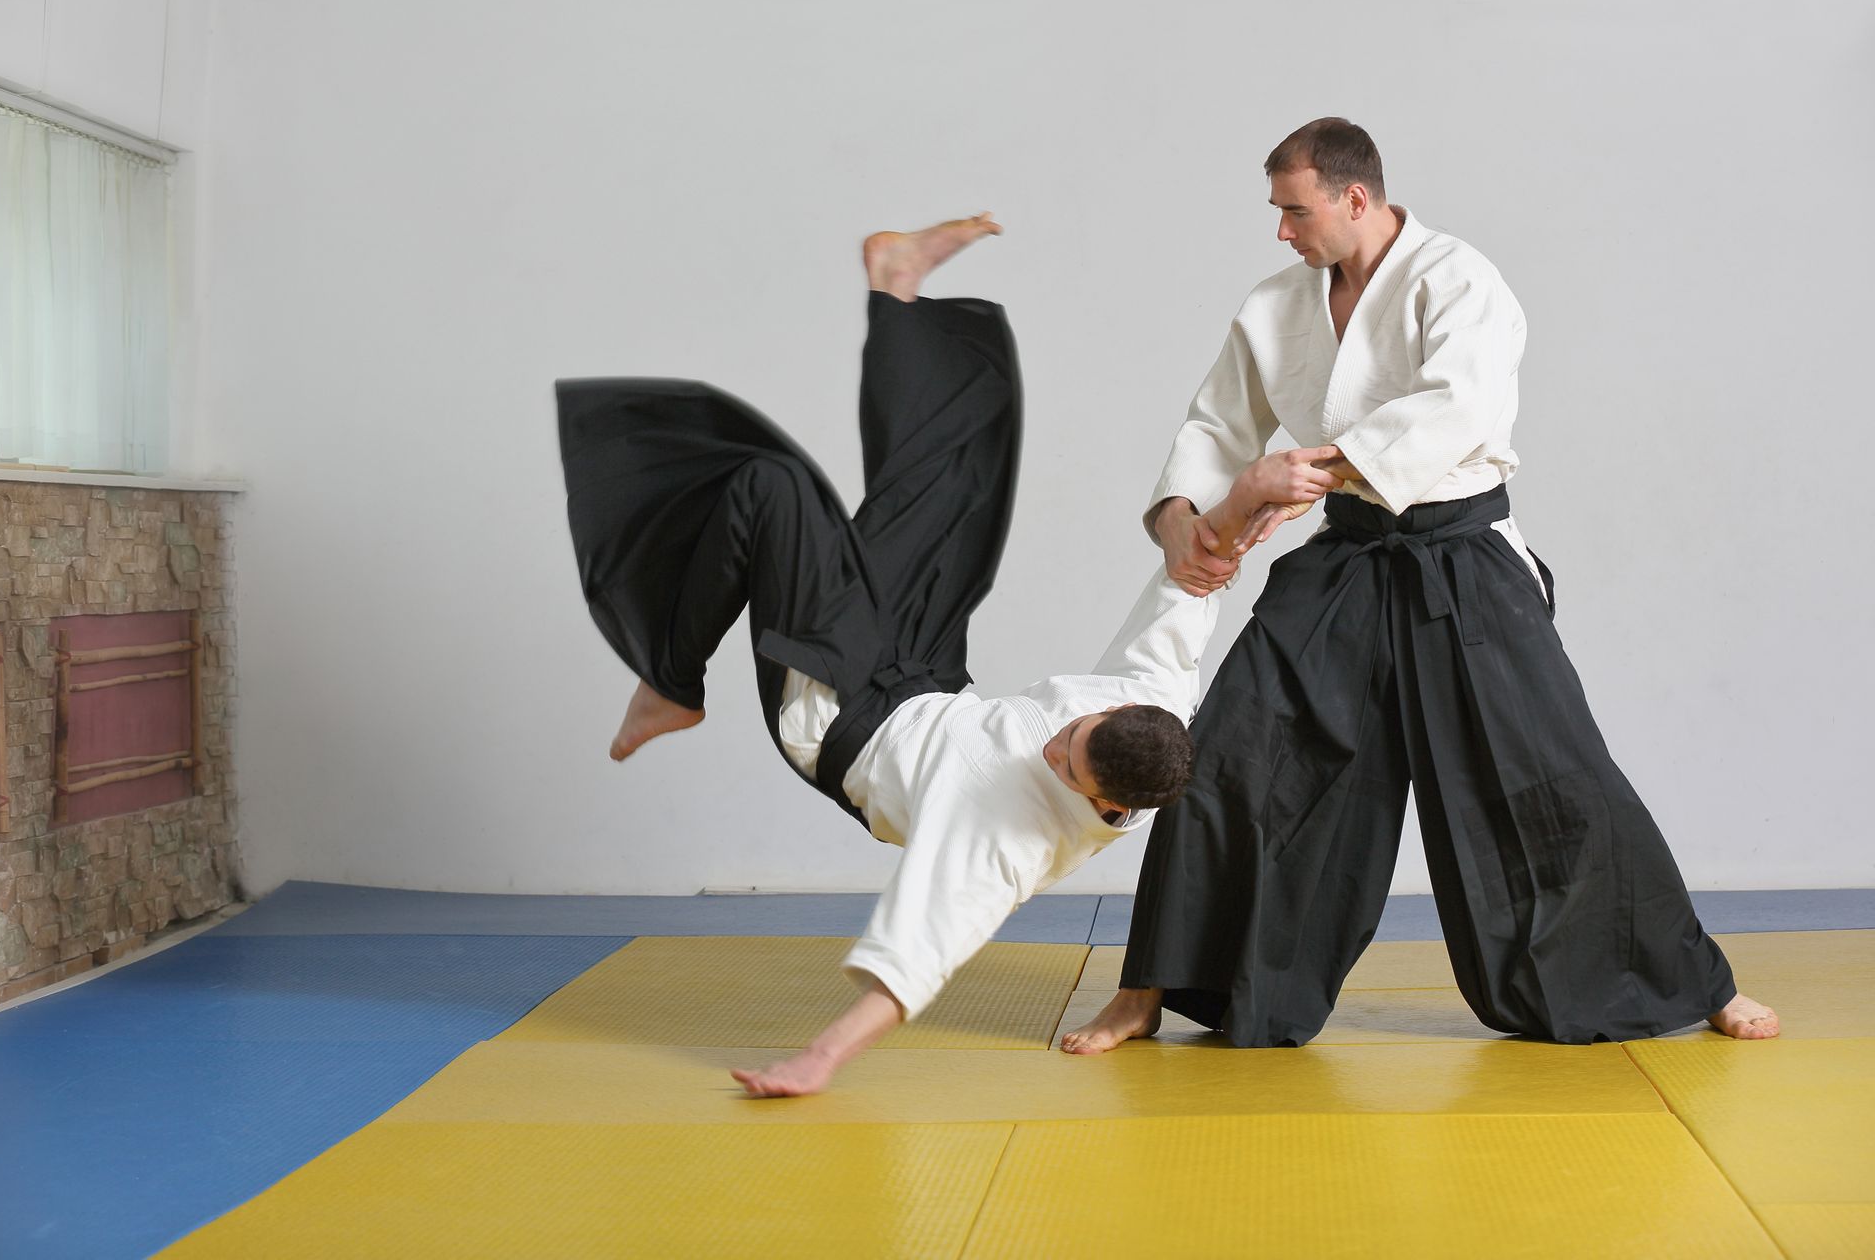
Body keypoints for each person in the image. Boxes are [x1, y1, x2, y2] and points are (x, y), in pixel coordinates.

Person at [558, 214, 1343, 1095]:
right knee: (954, 492)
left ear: (1099, 798)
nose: (1054, 743)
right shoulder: (1154, 699)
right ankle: (895, 289)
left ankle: (670, 679)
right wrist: (1245, 495)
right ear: (1120, 712)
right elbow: (1200, 578)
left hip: (839, 715)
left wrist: (816, 1061)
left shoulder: (1010, 839)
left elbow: (916, 958)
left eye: (1065, 763)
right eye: (1075, 729)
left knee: (768, 486)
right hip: (925, 672)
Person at [1064, 119, 1779, 1054]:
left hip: (1462, 558)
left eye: (1295, 210)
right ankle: (1149, 987)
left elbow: (1459, 406)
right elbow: (1214, 425)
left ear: (1355, 197)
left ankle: (1692, 980)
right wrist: (1180, 522)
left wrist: (1304, 471)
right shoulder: (1277, 305)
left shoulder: (1459, 279)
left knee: (1552, 776)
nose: (1282, 231)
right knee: (1235, 752)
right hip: (1349, 560)